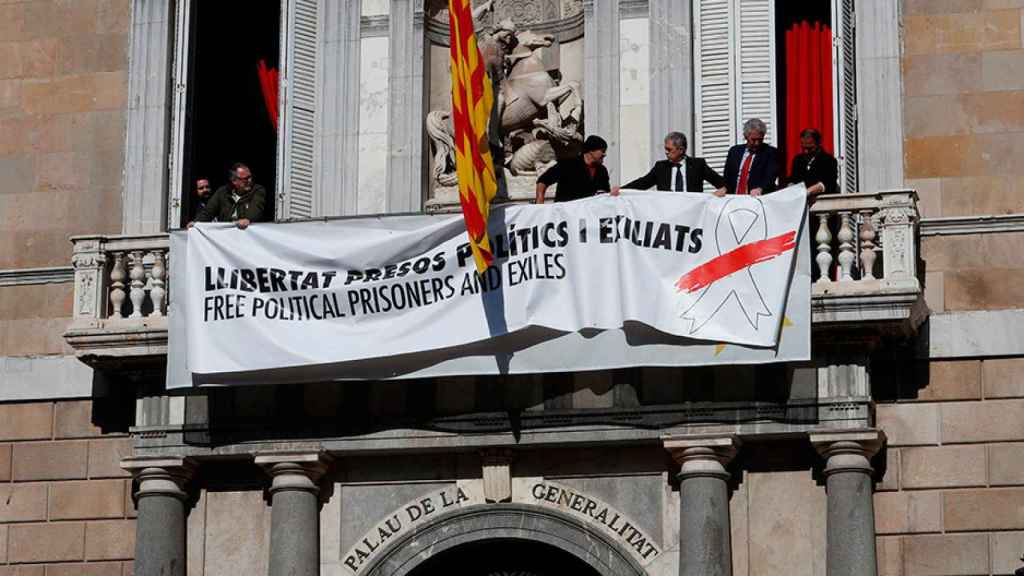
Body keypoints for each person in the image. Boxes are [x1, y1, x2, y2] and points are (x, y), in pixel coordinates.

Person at [613, 131, 727, 196]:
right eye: (665, 149)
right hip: (668, 217)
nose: (666, 152)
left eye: (669, 149)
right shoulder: (660, 167)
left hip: (693, 216)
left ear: (681, 150)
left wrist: (723, 190)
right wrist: (622, 190)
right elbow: (642, 183)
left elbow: (720, 182)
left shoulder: (698, 165)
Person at [535, 135, 611, 204]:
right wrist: (540, 203)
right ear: (591, 150)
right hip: (566, 214)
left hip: (590, 215)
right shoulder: (567, 165)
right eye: (602, 151)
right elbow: (543, 181)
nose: (605, 154)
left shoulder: (602, 170)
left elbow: (605, 193)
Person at [191, 163, 266, 229]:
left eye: (250, 177)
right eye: (246, 179)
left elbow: (256, 209)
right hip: (226, 237)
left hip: (247, 234)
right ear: (234, 181)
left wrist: (248, 219)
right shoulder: (222, 192)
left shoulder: (258, 190)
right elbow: (208, 212)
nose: (250, 180)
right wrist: (195, 223)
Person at [723, 118, 780, 196]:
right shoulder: (734, 151)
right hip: (734, 199)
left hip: (756, 198)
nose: (757, 143)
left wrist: (761, 188)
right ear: (746, 136)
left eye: (760, 140)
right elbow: (727, 177)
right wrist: (724, 189)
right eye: (753, 140)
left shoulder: (770, 153)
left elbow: (770, 177)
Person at [788, 127, 838, 197]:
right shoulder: (798, 160)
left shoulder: (829, 160)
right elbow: (793, 179)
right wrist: (790, 186)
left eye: (810, 148)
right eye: (803, 148)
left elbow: (828, 183)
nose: (806, 151)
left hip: (822, 201)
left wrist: (808, 192)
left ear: (819, 144)